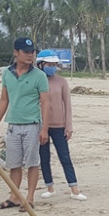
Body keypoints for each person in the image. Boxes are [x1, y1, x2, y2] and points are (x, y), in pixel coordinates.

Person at [0, 37, 49, 209]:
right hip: (13, 125)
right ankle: (15, 196)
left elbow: (45, 103)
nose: (30, 55)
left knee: (32, 162)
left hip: (32, 124)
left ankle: (29, 197)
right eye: (26, 52)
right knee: (14, 163)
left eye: (32, 52)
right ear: (16, 53)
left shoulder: (40, 75)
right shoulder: (7, 74)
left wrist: (44, 128)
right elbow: (4, 100)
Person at [36, 49, 87, 201]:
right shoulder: (36, 80)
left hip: (59, 125)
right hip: (41, 126)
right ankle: (49, 187)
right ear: (41, 65)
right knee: (44, 157)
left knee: (64, 157)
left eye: (54, 64)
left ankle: (74, 189)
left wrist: (68, 125)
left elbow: (68, 105)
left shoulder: (62, 82)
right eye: (49, 64)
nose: (52, 67)